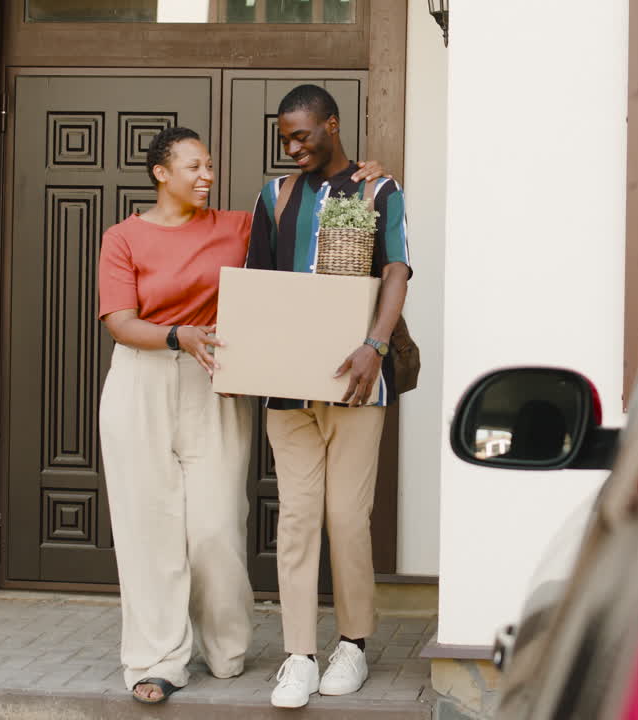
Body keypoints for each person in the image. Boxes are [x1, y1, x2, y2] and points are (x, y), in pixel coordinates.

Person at [96, 126, 390, 705]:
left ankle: (226, 646)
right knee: (148, 528)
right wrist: (179, 335)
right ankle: (156, 659)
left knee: (214, 527)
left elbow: (311, 227)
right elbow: (119, 321)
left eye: (209, 165)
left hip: (217, 383)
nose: (207, 175)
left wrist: (361, 182)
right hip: (142, 376)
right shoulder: (123, 237)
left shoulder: (238, 227)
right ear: (161, 173)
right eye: (193, 166)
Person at [245, 84, 412, 709]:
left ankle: (353, 644)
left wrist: (374, 344)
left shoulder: (376, 190)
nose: (292, 148)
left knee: (346, 518)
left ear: (332, 126)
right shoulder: (274, 194)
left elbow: (395, 268)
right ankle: (298, 654)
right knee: (295, 520)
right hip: (287, 387)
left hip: (356, 383)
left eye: (303, 136)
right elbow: (256, 285)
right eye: (285, 138)